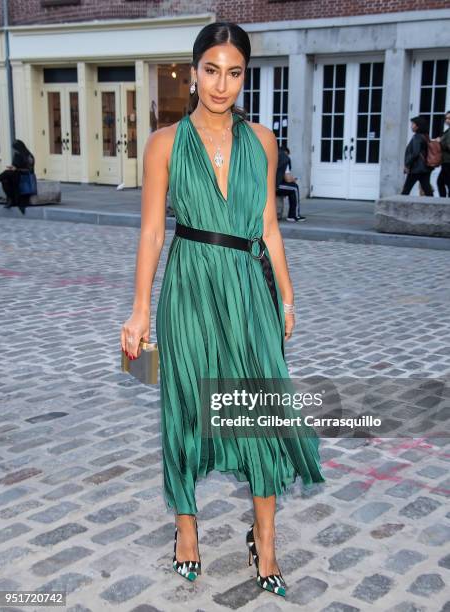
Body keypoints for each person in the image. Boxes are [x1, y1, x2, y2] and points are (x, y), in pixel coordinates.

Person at [120, 21, 325, 598]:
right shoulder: (164, 142)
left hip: (247, 285)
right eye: (211, 70)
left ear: (243, 77)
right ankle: (187, 530)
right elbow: (153, 231)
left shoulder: (261, 141)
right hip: (187, 286)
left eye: (234, 72)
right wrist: (139, 310)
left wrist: (285, 294)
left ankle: (265, 539)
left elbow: (268, 226)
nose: (221, 84)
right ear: (193, 73)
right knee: (185, 407)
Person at [0, 139, 35, 215]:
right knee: (5, 179)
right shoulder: (17, 155)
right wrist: (13, 168)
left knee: (7, 174)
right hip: (15, 175)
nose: (15, 151)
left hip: (24, 176)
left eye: (16, 149)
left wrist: (17, 169)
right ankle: (10, 199)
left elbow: (30, 170)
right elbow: (15, 166)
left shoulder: (29, 156)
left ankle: (11, 199)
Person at [401, 116, 433, 196]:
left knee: (406, 190)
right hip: (425, 168)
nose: (411, 126)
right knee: (427, 189)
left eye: (413, 124)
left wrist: (407, 164)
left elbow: (415, 153)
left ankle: (399, 206)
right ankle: (434, 204)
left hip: (416, 168)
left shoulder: (417, 137)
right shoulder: (425, 136)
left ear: (418, 126)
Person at [276, 144, 305, 221]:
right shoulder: (284, 158)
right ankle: (293, 215)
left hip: (264, 184)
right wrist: (293, 179)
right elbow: (288, 179)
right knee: (294, 187)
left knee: (289, 187)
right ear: (286, 152)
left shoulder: (272, 154)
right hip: (274, 186)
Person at [436, 110, 450, 197]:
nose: (447, 120)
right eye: (446, 118)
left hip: (448, 162)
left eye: (449, 118)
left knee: (444, 182)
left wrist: (440, 141)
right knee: (440, 182)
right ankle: (443, 201)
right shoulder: (448, 131)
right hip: (446, 161)